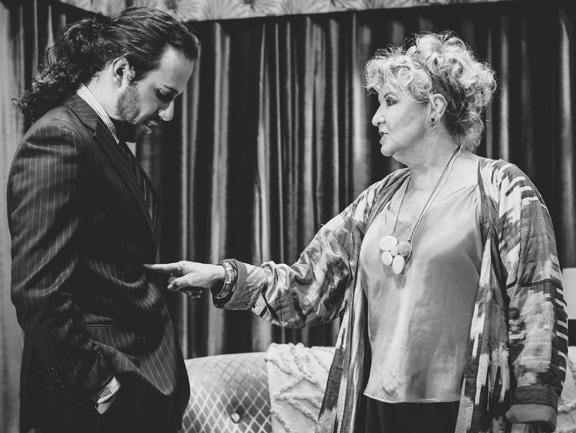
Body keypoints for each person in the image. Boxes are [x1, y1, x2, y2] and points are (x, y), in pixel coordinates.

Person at [147, 33, 567, 433]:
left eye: (390, 102)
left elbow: (537, 303)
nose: (376, 117)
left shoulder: (502, 189)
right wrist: (222, 277)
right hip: (374, 411)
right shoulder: (378, 200)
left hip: (461, 412)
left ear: (435, 108)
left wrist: (533, 412)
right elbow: (307, 288)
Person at [7, 7, 199, 433]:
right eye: (163, 95)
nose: (168, 114)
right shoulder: (60, 138)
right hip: (91, 410)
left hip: (133, 397)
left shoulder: (102, 137)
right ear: (122, 70)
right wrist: (103, 388)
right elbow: (38, 291)